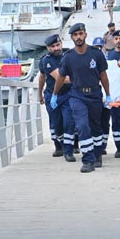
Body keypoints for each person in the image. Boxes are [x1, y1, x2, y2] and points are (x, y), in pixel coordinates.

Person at [53, 23, 111, 173]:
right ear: (72, 37)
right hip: (77, 96)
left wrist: (108, 94)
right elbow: (61, 77)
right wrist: (54, 94)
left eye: (80, 34)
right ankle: (88, 160)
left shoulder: (96, 54)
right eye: (75, 35)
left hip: (95, 95)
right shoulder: (68, 57)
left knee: (96, 127)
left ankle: (97, 155)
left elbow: (103, 75)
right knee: (82, 126)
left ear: (85, 34)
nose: (78, 37)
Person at [38, 34, 76, 162]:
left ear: (61, 44)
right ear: (48, 48)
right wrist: (39, 94)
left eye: (58, 45)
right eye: (53, 46)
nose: (56, 48)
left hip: (68, 95)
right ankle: (59, 145)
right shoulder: (46, 60)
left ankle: (68, 150)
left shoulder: (68, 55)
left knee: (69, 122)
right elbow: (56, 78)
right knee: (56, 124)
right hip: (52, 95)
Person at [106, 30, 120, 157]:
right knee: (116, 121)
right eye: (116, 39)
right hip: (114, 93)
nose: (118, 41)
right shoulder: (110, 54)